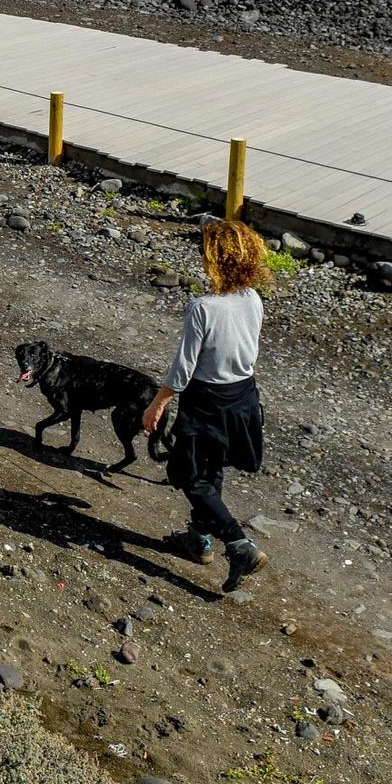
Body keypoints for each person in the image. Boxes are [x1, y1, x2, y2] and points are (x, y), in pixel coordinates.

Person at [143, 216, 269, 594]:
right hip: (244, 397)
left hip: (206, 400)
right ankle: (198, 538)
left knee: (187, 473)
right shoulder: (252, 299)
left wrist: (157, 404)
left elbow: (184, 367)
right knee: (212, 470)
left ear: (215, 259)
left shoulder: (203, 307)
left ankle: (238, 543)